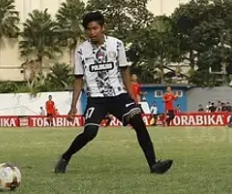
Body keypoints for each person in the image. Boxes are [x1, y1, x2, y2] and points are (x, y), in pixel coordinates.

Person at [54, 11, 172, 175]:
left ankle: (153, 164)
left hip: (118, 95)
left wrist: (132, 96)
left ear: (103, 27)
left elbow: (124, 70)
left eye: (95, 28)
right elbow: (78, 79)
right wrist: (73, 106)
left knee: (138, 121)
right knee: (90, 132)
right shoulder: (81, 51)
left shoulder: (117, 45)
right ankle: (65, 157)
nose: (92, 32)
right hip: (96, 98)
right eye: (89, 29)